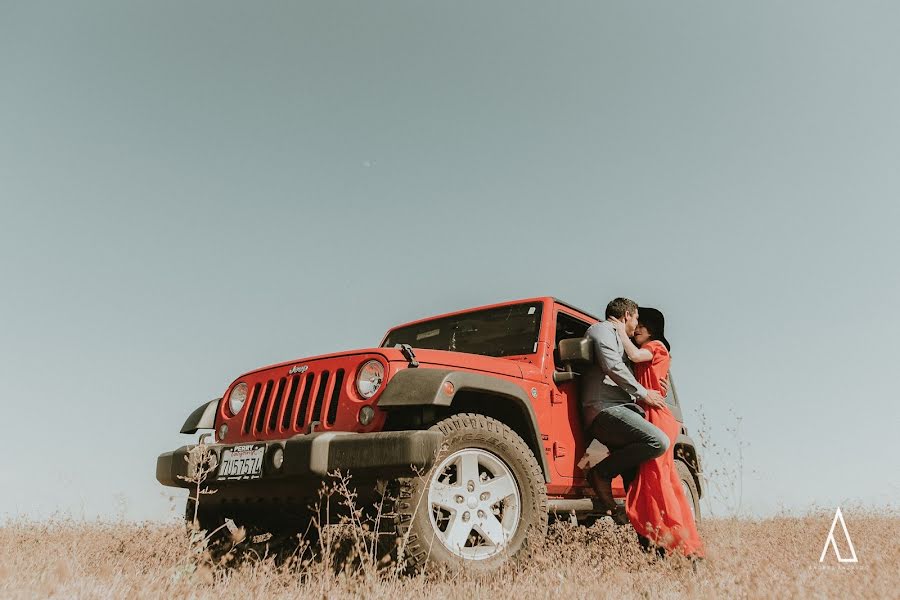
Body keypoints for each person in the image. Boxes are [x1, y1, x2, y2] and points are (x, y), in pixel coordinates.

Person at [612, 307, 705, 558]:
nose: (638, 328)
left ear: (653, 329)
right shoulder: (652, 351)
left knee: (659, 480)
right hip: (650, 412)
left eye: (642, 324)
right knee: (656, 480)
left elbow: (632, 353)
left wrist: (620, 329)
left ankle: (675, 539)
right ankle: (664, 538)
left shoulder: (656, 347)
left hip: (656, 416)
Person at [581, 298, 669, 517]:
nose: (637, 324)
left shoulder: (626, 342)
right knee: (658, 442)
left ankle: (647, 534)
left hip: (624, 409)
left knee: (637, 476)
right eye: (637, 317)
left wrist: (657, 385)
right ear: (627, 315)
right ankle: (601, 473)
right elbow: (613, 366)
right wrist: (644, 393)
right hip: (605, 409)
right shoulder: (602, 330)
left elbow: (645, 369)